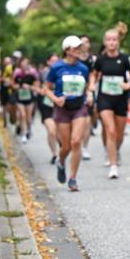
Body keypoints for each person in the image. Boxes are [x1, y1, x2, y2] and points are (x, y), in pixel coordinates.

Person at [44, 36, 92, 191]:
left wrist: (90, 95)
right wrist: (56, 99)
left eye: (80, 47)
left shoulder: (83, 68)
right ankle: (61, 161)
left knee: (76, 141)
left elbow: (87, 86)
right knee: (66, 147)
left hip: (79, 107)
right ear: (67, 50)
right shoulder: (56, 68)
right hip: (62, 109)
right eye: (75, 48)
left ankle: (73, 178)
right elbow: (46, 89)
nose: (79, 50)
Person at [89, 25, 130, 179]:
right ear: (105, 42)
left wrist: (129, 84)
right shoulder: (100, 60)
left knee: (119, 134)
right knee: (111, 130)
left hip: (121, 99)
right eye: (108, 40)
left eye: (114, 39)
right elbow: (93, 75)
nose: (111, 42)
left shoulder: (125, 59)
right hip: (105, 98)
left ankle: (115, 150)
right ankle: (113, 165)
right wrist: (90, 88)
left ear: (118, 42)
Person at [77, 34, 97, 160]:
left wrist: (91, 87)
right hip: (74, 91)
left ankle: (84, 147)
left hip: (88, 90)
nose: (85, 44)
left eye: (87, 42)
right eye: (82, 42)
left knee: (88, 120)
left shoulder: (93, 59)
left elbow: (96, 74)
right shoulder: (74, 58)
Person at [37, 55, 59, 163]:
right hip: (46, 105)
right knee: (51, 131)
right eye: (52, 61)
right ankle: (54, 153)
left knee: (58, 132)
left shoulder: (62, 72)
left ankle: (62, 148)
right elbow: (37, 86)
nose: (54, 63)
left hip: (60, 106)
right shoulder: (44, 73)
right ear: (48, 62)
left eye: (56, 61)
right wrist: (42, 90)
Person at [13, 56, 40, 143]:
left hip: (30, 98)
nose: (24, 64)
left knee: (28, 117)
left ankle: (29, 129)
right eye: (23, 62)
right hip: (20, 97)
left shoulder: (33, 72)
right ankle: (23, 134)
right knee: (22, 115)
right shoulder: (17, 72)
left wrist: (29, 87)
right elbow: (13, 84)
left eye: (26, 62)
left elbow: (37, 86)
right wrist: (19, 87)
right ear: (20, 63)